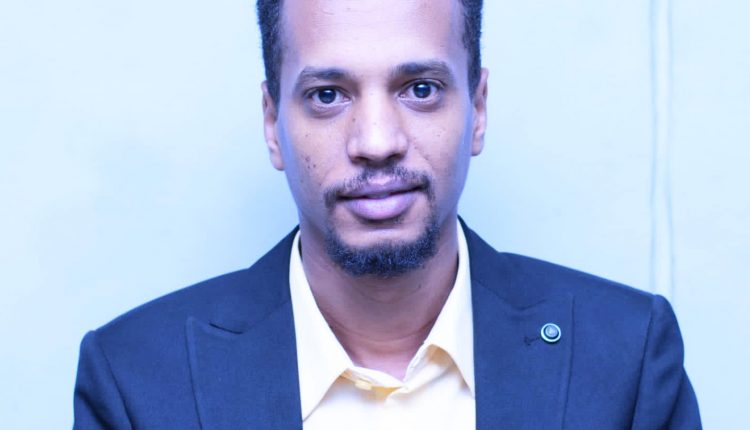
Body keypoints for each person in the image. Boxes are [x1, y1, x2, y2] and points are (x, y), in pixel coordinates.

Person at [73, 0, 701, 428]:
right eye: (327, 95)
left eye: (420, 89)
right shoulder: (135, 381)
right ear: (272, 123)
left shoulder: (626, 358)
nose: (376, 141)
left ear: (478, 109)